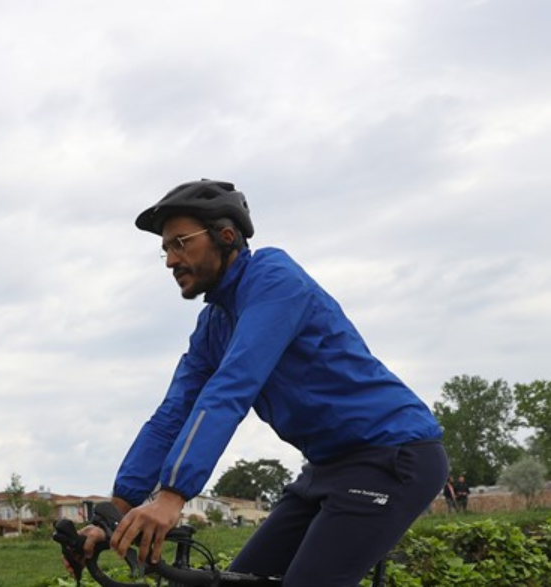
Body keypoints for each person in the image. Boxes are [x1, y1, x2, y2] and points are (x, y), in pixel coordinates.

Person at [68, 180, 448, 587]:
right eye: (165, 249)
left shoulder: (274, 279)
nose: (170, 260)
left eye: (180, 243)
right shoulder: (214, 324)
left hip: (391, 458)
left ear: (226, 236)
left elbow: (233, 386)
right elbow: (172, 415)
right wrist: (117, 511)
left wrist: (173, 495)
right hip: (324, 469)